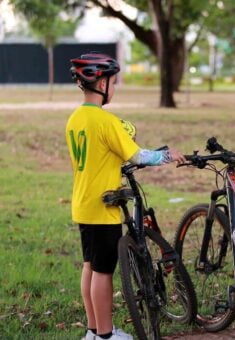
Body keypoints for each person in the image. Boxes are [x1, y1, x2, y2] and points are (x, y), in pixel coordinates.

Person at [66, 53, 185, 340]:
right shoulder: (105, 121)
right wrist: (168, 155)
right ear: (101, 83)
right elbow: (137, 154)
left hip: (83, 203)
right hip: (103, 205)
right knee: (104, 272)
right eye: (113, 82)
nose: (114, 88)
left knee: (90, 267)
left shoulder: (75, 118)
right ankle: (106, 336)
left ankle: (93, 331)